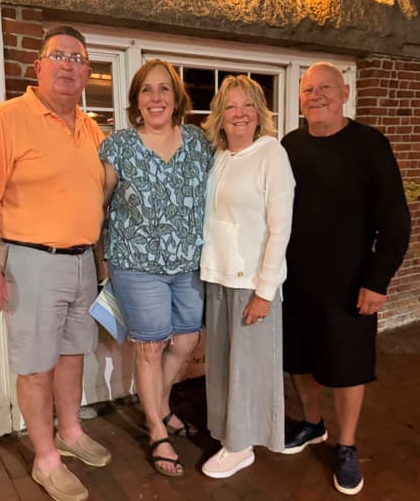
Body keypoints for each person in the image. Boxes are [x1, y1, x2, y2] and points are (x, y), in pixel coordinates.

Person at [0, 26, 111, 501]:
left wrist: (100, 261)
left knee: (72, 355)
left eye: (78, 58)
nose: (68, 64)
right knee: (35, 366)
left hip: (81, 263)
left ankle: (70, 433)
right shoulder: (6, 119)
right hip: (31, 262)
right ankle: (45, 459)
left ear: (88, 72)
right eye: (58, 55)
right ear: (39, 66)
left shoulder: (91, 129)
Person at [281, 62, 410, 495]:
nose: (315, 96)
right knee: (298, 361)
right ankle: (312, 424)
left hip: (350, 285)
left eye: (325, 89)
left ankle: (347, 445)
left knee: (347, 368)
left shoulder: (370, 145)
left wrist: (377, 281)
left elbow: (396, 222)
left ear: (345, 93)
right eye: (308, 90)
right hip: (294, 283)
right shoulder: (289, 145)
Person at [99, 58, 212, 477]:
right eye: (147, 90)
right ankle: (156, 431)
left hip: (190, 264)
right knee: (149, 347)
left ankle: (161, 404)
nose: (156, 97)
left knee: (184, 341)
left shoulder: (199, 143)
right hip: (137, 262)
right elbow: (102, 204)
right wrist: (101, 261)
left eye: (164, 89)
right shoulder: (118, 146)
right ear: (136, 101)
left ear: (176, 97)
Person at [199, 75, 295, 479]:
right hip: (217, 278)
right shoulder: (220, 157)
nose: (239, 113)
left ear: (259, 114)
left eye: (248, 105)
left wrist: (265, 291)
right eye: (231, 106)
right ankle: (229, 435)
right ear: (220, 117)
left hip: (251, 283)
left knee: (249, 370)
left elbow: (281, 227)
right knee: (222, 366)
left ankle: (242, 446)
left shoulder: (270, 153)